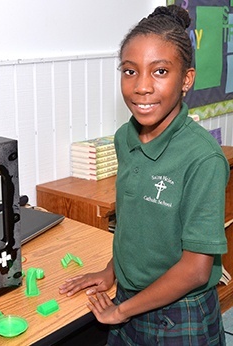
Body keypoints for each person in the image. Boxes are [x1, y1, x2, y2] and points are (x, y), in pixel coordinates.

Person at [59, 5, 230, 345]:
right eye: (130, 71)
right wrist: (110, 271)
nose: (142, 87)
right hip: (129, 298)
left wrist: (121, 312)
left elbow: (196, 269)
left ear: (187, 79)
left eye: (160, 71)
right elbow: (137, 225)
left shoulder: (203, 158)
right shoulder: (125, 137)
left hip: (179, 314)